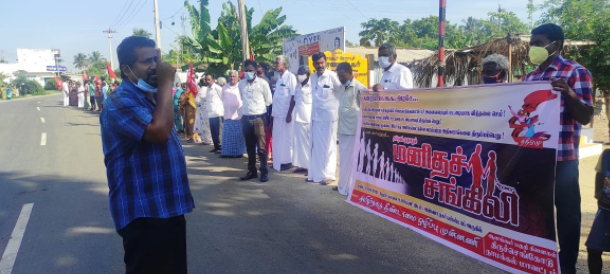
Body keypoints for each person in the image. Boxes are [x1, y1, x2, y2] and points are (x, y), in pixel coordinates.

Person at [100, 36, 193, 274]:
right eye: (147, 61)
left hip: (167, 208)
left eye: (157, 59)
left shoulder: (150, 97)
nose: (155, 66)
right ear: (127, 69)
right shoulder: (121, 100)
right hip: (144, 214)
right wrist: (166, 84)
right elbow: (159, 132)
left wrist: (160, 89)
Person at [524, 23, 593, 274]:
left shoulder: (575, 73)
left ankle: (566, 266)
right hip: (534, 157)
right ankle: (537, 259)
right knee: (534, 211)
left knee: (567, 215)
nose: (533, 48)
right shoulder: (530, 77)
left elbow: (586, 116)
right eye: (532, 43)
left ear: (556, 45)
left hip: (563, 158)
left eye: (539, 43)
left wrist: (569, 94)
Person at [308, 52, 342, 185]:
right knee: (316, 147)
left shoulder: (333, 77)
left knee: (329, 146)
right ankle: (316, 174)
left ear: (326, 62)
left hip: (329, 118)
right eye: (317, 63)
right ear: (313, 64)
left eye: (322, 62)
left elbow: (342, 92)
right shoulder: (313, 77)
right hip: (316, 117)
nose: (320, 65)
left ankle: (329, 175)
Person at [335, 62, 366, 195]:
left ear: (350, 73)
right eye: (338, 76)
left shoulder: (360, 88)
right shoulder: (341, 87)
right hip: (342, 129)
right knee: (343, 159)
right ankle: (342, 185)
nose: (340, 79)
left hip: (353, 130)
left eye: (342, 76)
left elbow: (364, 109)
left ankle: (351, 188)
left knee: (353, 159)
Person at [239, 60, 273, 182]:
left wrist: (262, 115)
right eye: (246, 70)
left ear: (255, 71)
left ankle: (264, 171)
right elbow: (241, 98)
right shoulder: (241, 84)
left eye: (250, 70)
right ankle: (252, 171)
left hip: (259, 117)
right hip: (246, 118)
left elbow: (268, 101)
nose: (248, 72)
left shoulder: (263, 83)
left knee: (262, 147)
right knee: (249, 147)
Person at [271, 55, 297, 171]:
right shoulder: (279, 78)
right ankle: (278, 161)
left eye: (277, 63)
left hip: (286, 114)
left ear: (284, 65)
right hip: (277, 114)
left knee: (286, 139)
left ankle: (287, 162)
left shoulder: (290, 77)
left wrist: (289, 113)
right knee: (277, 138)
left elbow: (293, 95)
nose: (275, 65)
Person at [587, 150, 610, 274]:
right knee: (593, 249)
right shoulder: (606, 155)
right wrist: (598, 191)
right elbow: (599, 173)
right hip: (605, 211)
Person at [221, 70, 247, 158]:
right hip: (227, 115)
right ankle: (227, 153)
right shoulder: (224, 88)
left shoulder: (241, 86)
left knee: (237, 136)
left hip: (238, 115)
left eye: (233, 76)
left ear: (237, 77)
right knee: (228, 136)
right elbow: (222, 99)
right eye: (230, 76)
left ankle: (238, 153)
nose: (232, 78)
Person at [292, 65, 312, 174]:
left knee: (309, 144)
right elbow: (294, 101)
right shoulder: (297, 86)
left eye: (301, 73)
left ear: (308, 74)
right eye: (298, 73)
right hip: (298, 118)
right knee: (299, 144)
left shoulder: (312, 86)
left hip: (308, 119)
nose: (299, 76)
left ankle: (311, 167)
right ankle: (302, 165)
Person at [206, 73, 224, 153]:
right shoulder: (207, 89)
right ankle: (216, 147)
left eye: (209, 79)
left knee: (219, 132)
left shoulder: (217, 88)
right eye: (206, 79)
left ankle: (220, 147)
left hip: (218, 113)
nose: (207, 81)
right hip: (210, 114)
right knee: (213, 132)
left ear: (213, 79)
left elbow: (223, 99)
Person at [194, 78, 213, 145]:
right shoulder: (209, 89)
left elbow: (197, 100)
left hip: (203, 110)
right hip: (208, 109)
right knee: (207, 125)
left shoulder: (202, 89)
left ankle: (207, 140)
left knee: (204, 125)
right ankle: (209, 139)